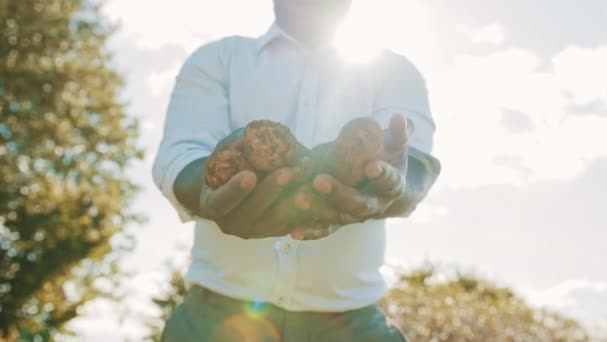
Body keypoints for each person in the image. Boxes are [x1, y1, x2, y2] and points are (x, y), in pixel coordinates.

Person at [152, 0, 440, 340]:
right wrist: (206, 189)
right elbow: (181, 155)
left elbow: (415, 166)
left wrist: (394, 182)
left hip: (350, 324)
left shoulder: (394, 71)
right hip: (212, 321)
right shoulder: (219, 59)